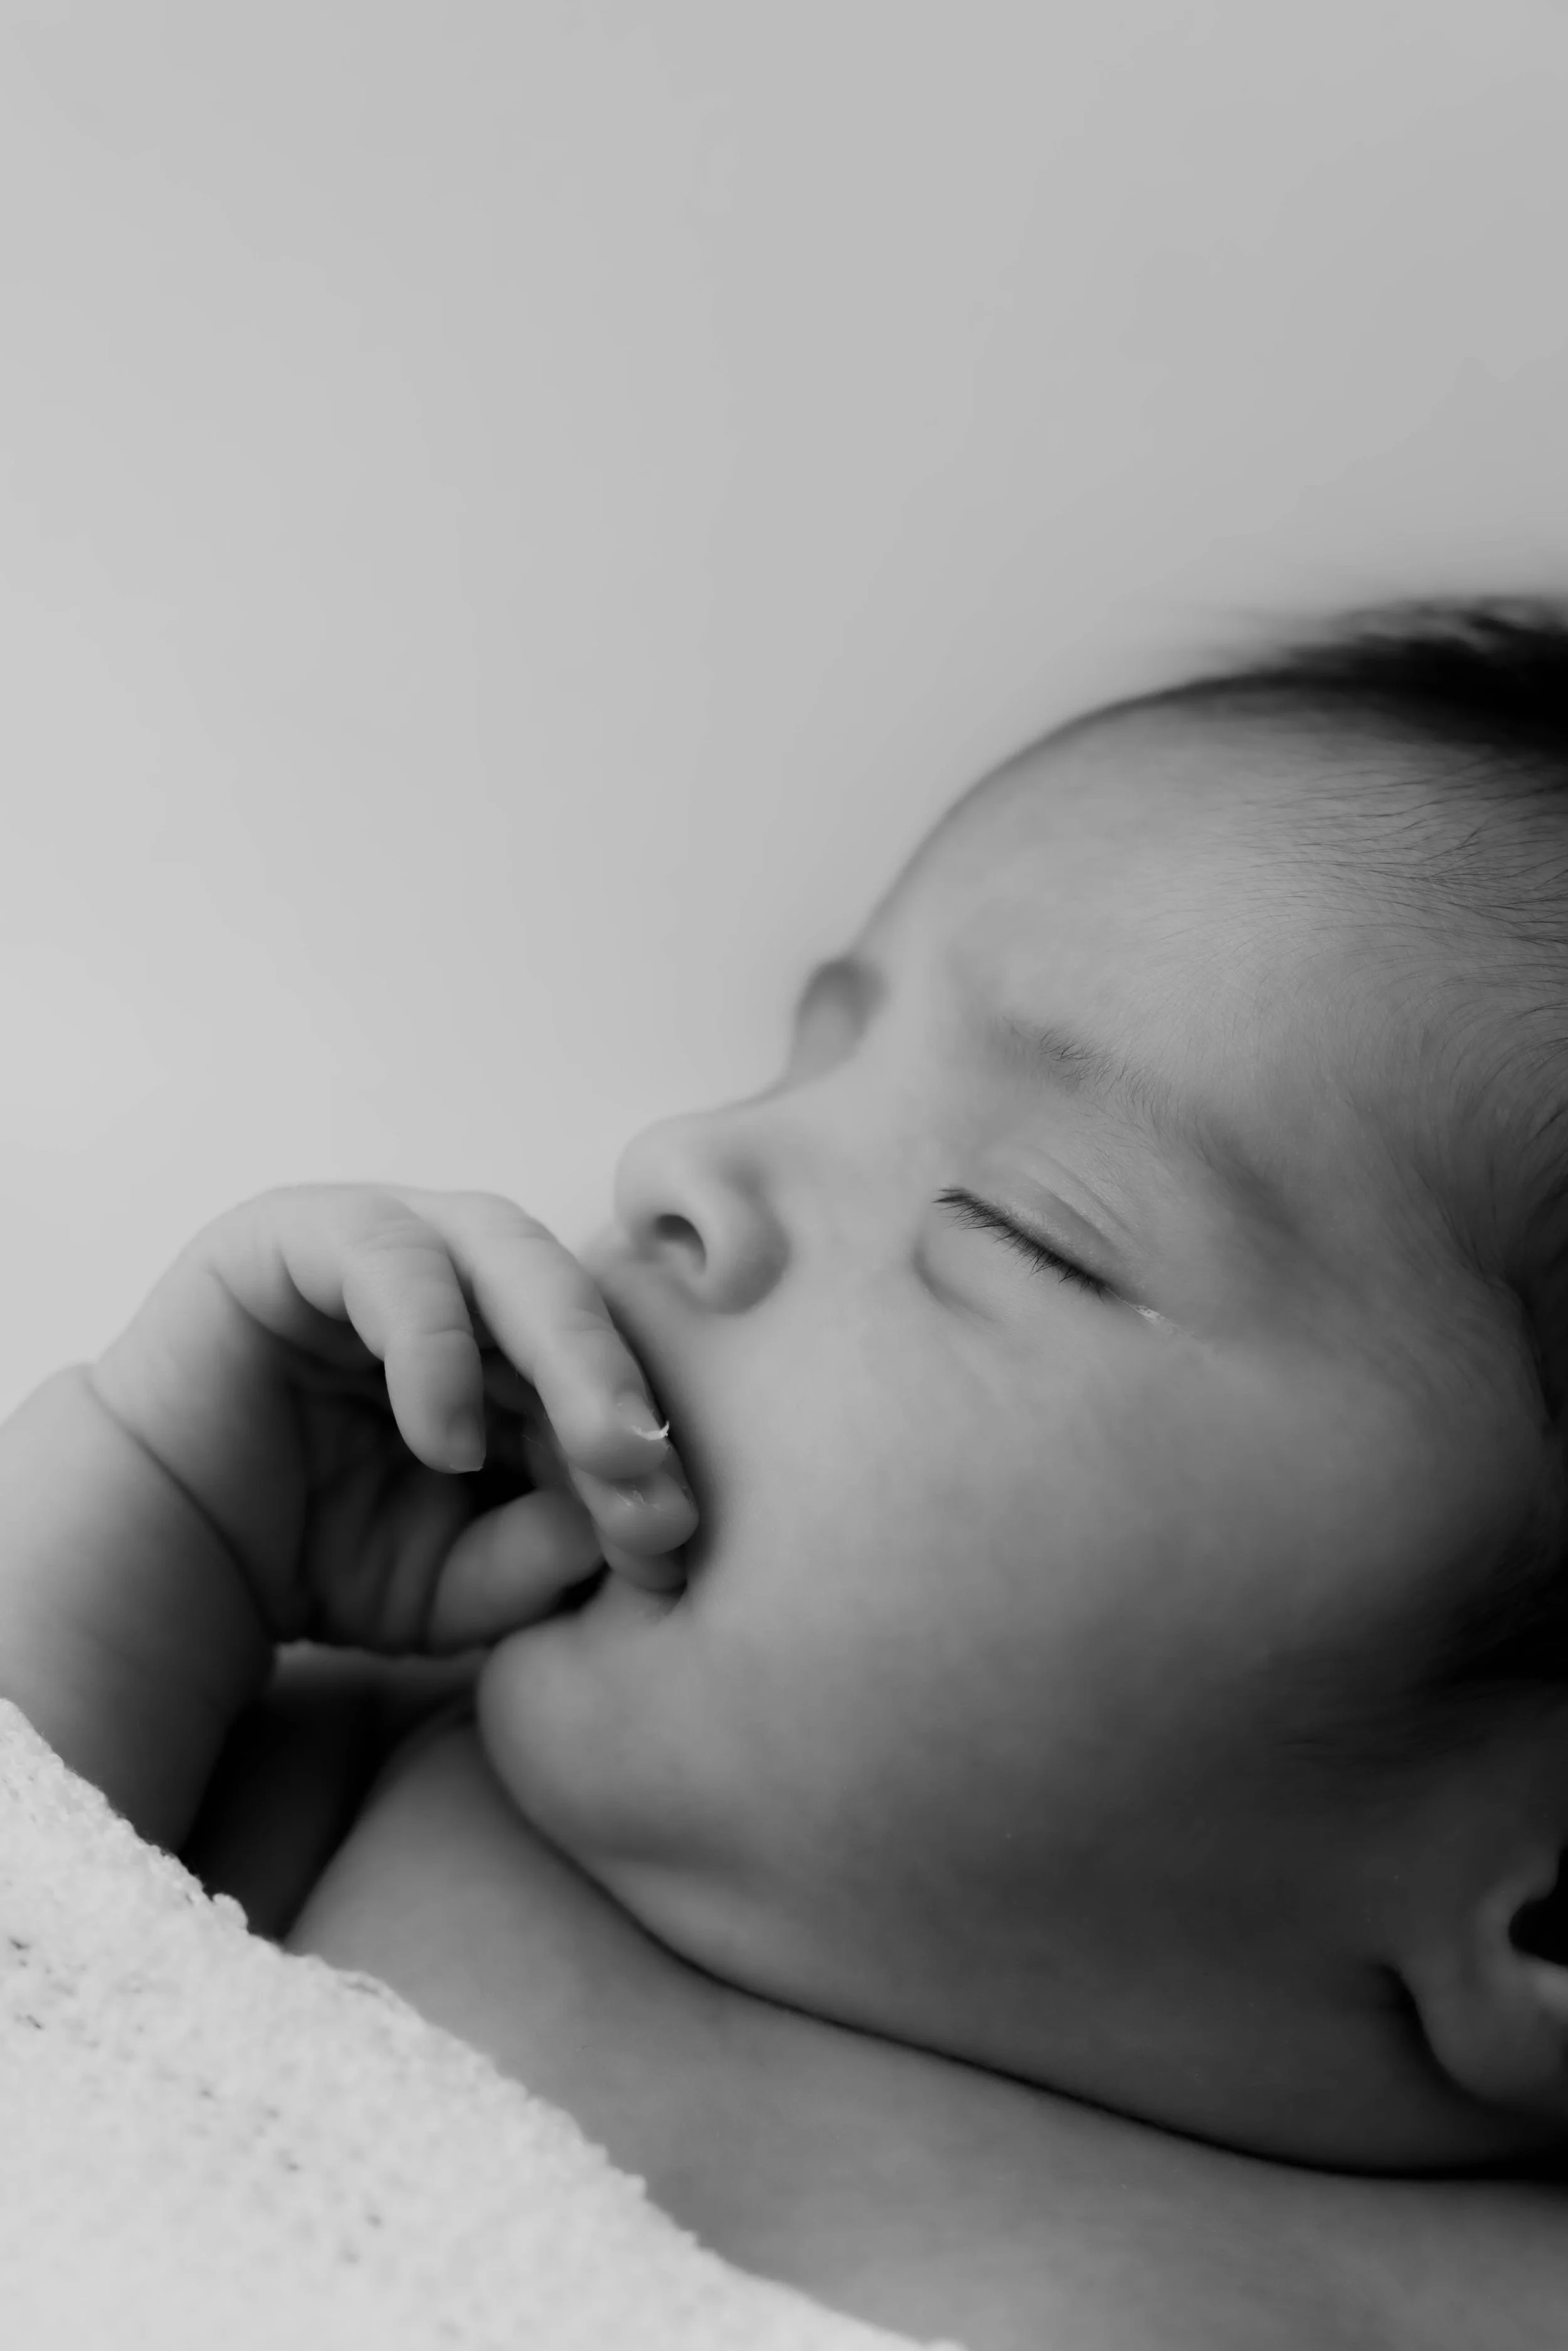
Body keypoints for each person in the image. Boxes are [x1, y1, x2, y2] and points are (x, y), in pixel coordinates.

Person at [6, 595, 1568, 2351]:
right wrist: (165, 1501)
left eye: (1019, 1225)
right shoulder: (335, 1774)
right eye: (804, 1065)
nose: (683, 1158)